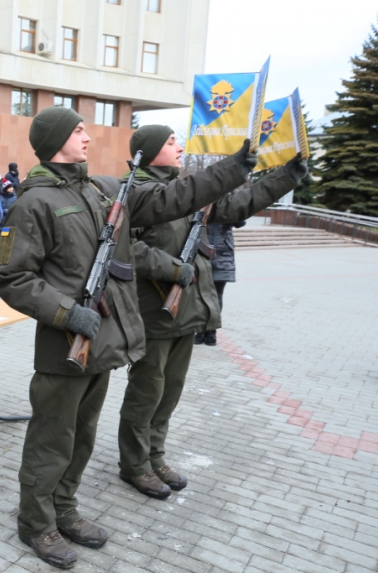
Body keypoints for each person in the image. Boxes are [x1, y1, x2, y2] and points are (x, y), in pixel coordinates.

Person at [0, 106, 259, 569]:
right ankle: (35, 523)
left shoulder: (98, 189)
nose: (87, 137)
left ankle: (64, 510)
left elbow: (174, 198)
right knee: (52, 441)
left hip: (101, 342)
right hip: (64, 346)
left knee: (82, 438)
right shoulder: (33, 202)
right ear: (55, 139)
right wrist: (67, 313)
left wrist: (233, 168)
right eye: (78, 130)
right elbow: (11, 277)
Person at [119, 126, 308, 501]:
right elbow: (127, 248)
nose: (179, 147)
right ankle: (135, 464)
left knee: (169, 391)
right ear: (151, 150)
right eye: (171, 142)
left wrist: (286, 175)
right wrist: (171, 268)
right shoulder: (135, 192)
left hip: (183, 311)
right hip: (152, 311)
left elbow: (239, 204)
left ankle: (155, 455)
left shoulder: (187, 191)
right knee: (146, 393)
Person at [195, 220, 247, 346]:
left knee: (217, 296)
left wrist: (229, 211)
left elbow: (240, 222)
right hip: (201, 253)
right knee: (201, 294)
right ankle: (201, 329)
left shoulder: (227, 208)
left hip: (222, 255)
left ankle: (211, 331)